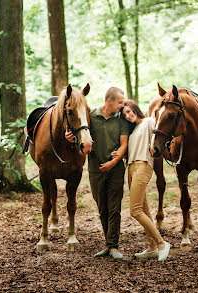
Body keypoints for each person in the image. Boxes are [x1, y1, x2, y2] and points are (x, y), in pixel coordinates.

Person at [66, 87, 129, 259]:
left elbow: (124, 144)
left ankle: (113, 246)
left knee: (114, 207)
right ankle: (108, 245)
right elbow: (80, 137)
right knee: (103, 208)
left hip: (115, 169)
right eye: (120, 102)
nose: (122, 105)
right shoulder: (91, 116)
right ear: (109, 101)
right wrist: (70, 138)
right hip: (95, 170)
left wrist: (113, 162)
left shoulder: (121, 119)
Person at [116, 99, 170, 261]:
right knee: (144, 209)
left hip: (143, 165)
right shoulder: (133, 131)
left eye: (129, 111)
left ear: (135, 108)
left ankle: (161, 243)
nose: (127, 115)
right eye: (124, 114)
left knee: (135, 211)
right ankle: (151, 247)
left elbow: (159, 133)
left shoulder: (148, 122)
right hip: (131, 168)